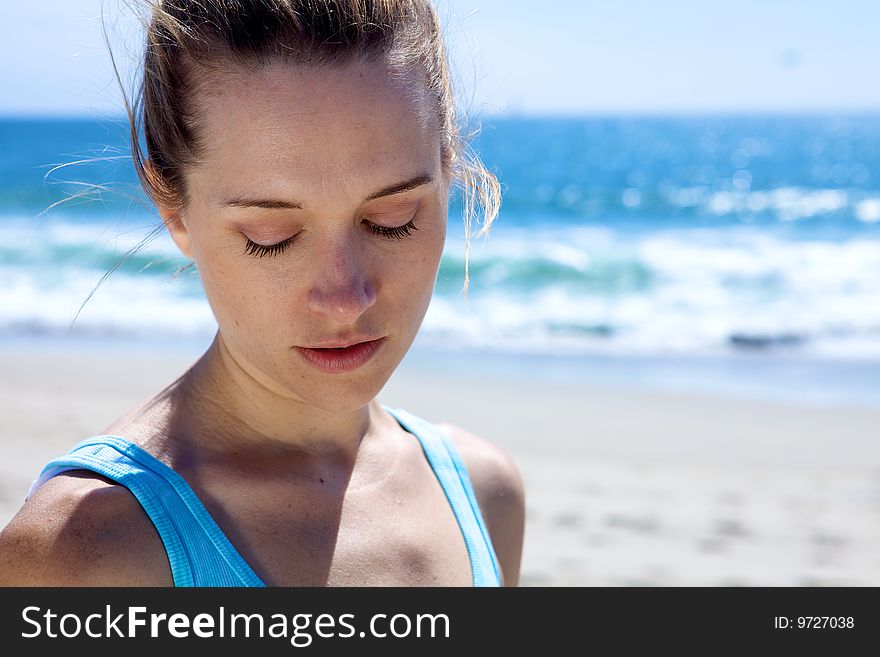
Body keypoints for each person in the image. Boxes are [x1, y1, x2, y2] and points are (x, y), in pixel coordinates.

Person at [0, 0, 524, 586]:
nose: (346, 297)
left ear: (449, 169)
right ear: (173, 210)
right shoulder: (83, 553)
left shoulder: (484, 495)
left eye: (393, 219)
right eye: (271, 237)